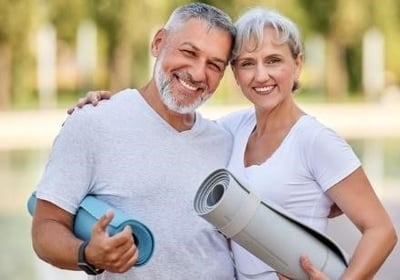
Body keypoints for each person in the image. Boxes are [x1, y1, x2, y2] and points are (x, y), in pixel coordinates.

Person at [76, 7, 397, 280]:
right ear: (235, 72)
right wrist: (115, 104)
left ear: (297, 64)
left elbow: (381, 231)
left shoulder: (315, 140)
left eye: (273, 60)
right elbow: (170, 129)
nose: (260, 76)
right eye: (247, 63)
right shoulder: (232, 129)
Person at [31, 3, 237, 280]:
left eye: (214, 65)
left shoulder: (225, 141)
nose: (199, 74)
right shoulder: (94, 123)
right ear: (158, 42)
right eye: (189, 52)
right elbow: (46, 228)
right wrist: (88, 254)